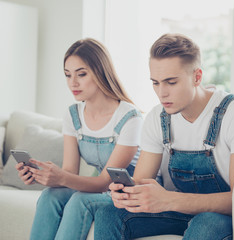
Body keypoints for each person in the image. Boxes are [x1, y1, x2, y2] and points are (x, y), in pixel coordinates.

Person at [94, 33, 234, 240]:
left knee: (206, 224)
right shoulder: (157, 117)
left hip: (224, 217)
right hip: (180, 212)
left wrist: (169, 200)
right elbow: (140, 182)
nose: (161, 93)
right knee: (109, 213)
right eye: (155, 83)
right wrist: (127, 195)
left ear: (197, 77)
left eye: (171, 82)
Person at [16, 38, 143, 240]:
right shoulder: (73, 115)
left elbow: (103, 183)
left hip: (126, 192)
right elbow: (69, 172)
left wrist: (61, 177)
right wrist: (42, 175)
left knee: (78, 201)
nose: (72, 83)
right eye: (68, 75)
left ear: (101, 72)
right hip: (102, 189)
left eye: (81, 74)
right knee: (50, 196)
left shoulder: (130, 118)